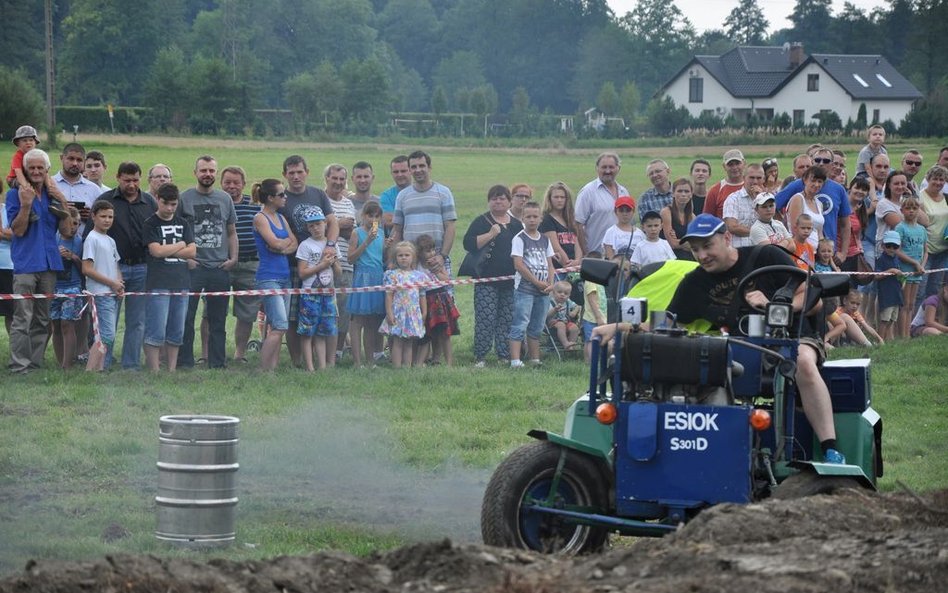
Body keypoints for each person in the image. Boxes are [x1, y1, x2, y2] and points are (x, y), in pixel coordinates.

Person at [592, 213, 849, 464]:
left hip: (795, 338)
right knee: (696, 366)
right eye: (695, 249)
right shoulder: (695, 283)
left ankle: (830, 447)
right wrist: (617, 327)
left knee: (802, 361)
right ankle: (699, 452)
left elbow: (813, 302)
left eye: (707, 246)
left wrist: (775, 305)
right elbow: (666, 324)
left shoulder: (766, 256)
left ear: (726, 238)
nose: (702, 255)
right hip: (739, 346)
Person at [93, 161, 158, 370]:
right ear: (118, 177)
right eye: (127, 180)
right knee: (109, 319)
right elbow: (91, 234)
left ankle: (131, 364)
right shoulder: (104, 200)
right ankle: (105, 360)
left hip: (142, 267)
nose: (131, 184)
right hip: (112, 271)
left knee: (137, 320)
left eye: (135, 180)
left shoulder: (149, 202)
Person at [6, 148, 65, 373]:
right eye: (32, 167)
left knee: (42, 319)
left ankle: (35, 362)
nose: (37, 171)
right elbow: (18, 230)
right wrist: (26, 205)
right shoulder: (15, 194)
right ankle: (19, 365)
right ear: (25, 170)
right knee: (22, 317)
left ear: (48, 170)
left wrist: (62, 200)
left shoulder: (52, 194)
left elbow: (67, 230)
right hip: (26, 265)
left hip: (50, 264)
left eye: (41, 167)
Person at [177, 155, 238, 370]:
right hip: (194, 267)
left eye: (212, 171)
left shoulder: (225, 199)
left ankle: (217, 363)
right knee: (186, 318)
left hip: (219, 268)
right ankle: (185, 362)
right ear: (195, 173)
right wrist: (187, 258)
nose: (207, 174)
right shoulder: (184, 198)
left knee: (218, 320)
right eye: (203, 170)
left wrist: (233, 258)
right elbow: (178, 234)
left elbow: (231, 232)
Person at [279, 154, 339, 367]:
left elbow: (333, 223)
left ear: (307, 172)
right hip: (294, 264)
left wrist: (330, 248)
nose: (296, 176)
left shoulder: (318, 194)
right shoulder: (281, 198)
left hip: (323, 264)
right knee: (295, 317)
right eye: (291, 173)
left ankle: (328, 362)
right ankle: (298, 361)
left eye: (299, 172)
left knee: (327, 316)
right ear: (285, 174)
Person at [463, 185, 523, 368]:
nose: (498, 201)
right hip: (486, 279)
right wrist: (491, 234)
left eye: (502, 198)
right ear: (489, 201)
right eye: (494, 198)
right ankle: (480, 356)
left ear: (509, 201)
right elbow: (468, 244)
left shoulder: (515, 224)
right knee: (486, 318)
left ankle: (504, 354)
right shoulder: (481, 221)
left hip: (510, 280)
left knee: (507, 318)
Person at [142, 184, 195, 373]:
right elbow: (155, 251)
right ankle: (154, 369)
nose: (170, 208)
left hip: (181, 282)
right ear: (157, 199)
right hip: (158, 282)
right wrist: (180, 244)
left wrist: (172, 249)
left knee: (177, 329)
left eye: (174, 204)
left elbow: (192, 251)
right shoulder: (150, 223)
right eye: (166, 203)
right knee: (156, 328)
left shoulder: (183, 223)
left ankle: (171, 369)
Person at [251, 178, 297, 372]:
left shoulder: (280, 217)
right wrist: (282, 244)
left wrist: (281, 247)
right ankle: (263, 369)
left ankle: (273, 368)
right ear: (270, 198)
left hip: (284, 276)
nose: (285, 197)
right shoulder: (260, 218)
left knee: (278, 326)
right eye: (281, 195)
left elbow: (293, 242)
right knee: (279, 326)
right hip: (268, 277)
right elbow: (276, 243)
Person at [391, 151, 457, 280]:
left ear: (429, 167)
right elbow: (397, 231)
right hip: (411, 262)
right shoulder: (402, 196)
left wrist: (442, 256)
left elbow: (450, 227)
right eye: (414, 167)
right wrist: (395, 259)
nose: (418, 170)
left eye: (422, 166)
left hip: (436, 261)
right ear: (410, 170)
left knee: (442, 299)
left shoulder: (443, 193)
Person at [775, 147, 852, 258]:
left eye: (825, 161)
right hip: (801, 253)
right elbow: (774, 205)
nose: (821, 163)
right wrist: (782, 227)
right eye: (817, 160)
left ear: (832, 164)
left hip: (826, 252)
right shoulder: (798, 186)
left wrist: (843, 253)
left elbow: (845, 224)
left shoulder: (837, 190)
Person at [220, 165, 262, 363]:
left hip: (249, 265)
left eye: (236, 182)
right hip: (221, 264)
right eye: (227, 182)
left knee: (246, 314)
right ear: (221, 184)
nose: (231, 186)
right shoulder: (217, 202)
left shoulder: (254, 204)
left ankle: (239, 354)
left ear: (244, 184)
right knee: (214, 311)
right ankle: (211, 353)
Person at [508, 201, 555, 368]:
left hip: (544, 290)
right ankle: (515, 360)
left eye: (535, 216)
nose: (532, 220)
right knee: (520, 322)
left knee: (537, 325)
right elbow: (518, 264)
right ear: (522, 218)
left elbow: (550, 264)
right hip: (525, 289)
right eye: (528, 216)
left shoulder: (545, 239)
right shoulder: (519, 239)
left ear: (541, 218)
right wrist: (536, 282)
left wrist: (550, 283)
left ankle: (535, 359)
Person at [296, 207, 341, 372]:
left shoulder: (331, 244)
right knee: (307, 331)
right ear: (307, 228)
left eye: (318, 224)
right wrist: (322, 265)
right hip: (310, 294)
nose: (315, 228)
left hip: (328, 294)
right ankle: (309, 367)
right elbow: (302, 273)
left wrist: (333, 260)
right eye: (311, 226)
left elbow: (339, 273)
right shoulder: (305, 245)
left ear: (325, 224)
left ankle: (322, 367)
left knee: (322, 332)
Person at [82, 200, 123, 371]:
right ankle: (90, 370)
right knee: (105, 335)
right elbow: (87, 269)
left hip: (112, 293)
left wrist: (119, 284)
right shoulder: (91, 239)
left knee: (107, 335)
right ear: (93, 217)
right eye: (103, 216)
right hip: (99, 293)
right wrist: (111, 283)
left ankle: (98, 369)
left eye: (110, 217)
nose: (107, 220)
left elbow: (116, 265)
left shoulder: (110, 240)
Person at [346, 201, 386, 368]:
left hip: (377, 276)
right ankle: (357, 361)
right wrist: (367, 241)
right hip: (362, 276)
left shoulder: (382, 233)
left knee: (371, 321)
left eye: (377, 216)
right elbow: (351, 258)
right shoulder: (357, 233)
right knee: (358, 321)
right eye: (370, 215)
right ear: (363, 216)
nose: (373, 219)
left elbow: (380, 257)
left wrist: (388, 247)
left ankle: (370, 361)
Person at [379, 240, 427, 369]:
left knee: (409, 342)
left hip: (413, 313)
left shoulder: (419, 276)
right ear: (396, 258)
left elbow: (422, 295)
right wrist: (389, 313)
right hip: (398, 312)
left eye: (407, 255)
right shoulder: (392, 275)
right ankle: (396, 367)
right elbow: (389, 295)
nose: (404, 258)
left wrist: (424, 312)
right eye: (400, 255)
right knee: (398, 341)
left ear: (413, 257)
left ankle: (406, 367)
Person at [415, 233, 460, 366]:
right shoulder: (416, 265)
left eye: (433, 250)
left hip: (440, 298)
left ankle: (449, 363)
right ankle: (422, 361)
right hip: (424, 299)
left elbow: (446, 280)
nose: (432, 253)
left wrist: (436, 270)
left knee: (444, 333)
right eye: (428, 251)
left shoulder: (438, 264)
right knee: (427, 333)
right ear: (420, 252)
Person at [6, 125, 69, 219]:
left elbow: (46, 171)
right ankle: (29, 210)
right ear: (18, 143)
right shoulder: (18, 156)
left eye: (31, 140)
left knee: (49, 179)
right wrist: (26, 187)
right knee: (22, 187)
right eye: (24, 140)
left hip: (29, 175)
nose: (28, 143)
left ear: (35, 142)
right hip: (15, 178)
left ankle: (54, 201)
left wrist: (50, 186)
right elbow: (18, 172)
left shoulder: (37, 155)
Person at [574, 152, 628, 254]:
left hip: (621, 255)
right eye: (604, 167)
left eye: (611, 167)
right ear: (597, 168)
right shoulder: (588, 192)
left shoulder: (623, 192)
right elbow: (578, 225)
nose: (607, 171)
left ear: (618, 168)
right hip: (597, 255)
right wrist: (586, 254)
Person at [50, 208, 83, 369]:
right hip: (54, 287)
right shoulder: (53, 240)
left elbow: (87, 267)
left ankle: (67, 364)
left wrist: (73, 257)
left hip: (73, 287)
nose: (72, 227)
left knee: (67, 324)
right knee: (55, 324)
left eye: (76, 223)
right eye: (69, 222)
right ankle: (60, 360)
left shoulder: (80, 241)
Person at [915, 165, 948, 306]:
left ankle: (926, 322)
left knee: (934, 290)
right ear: (928, 179)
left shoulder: (946, 198)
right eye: (935, 179)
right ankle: (912, 324)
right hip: (926, 251)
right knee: (919, 291)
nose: (938, 182)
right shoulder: (920, 197)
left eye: (942, 179)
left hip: (943, 251)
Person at [895, 194, 927, 337]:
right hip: (906, 270)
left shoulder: (922, 229)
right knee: (904, 303)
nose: (911, 211)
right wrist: (914, 263)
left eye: (914, 208)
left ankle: (908, 332)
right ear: (902, 210)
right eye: (908, 208)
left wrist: (922, 265)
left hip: (918, 271)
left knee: (912, 304)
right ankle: (903, 335)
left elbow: (926, 250)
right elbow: (897, 249)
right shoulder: (900, 228)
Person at [539, 181, 582, 278]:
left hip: (574, 268)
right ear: (550, 199)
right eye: (556, 197)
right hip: (558, 270)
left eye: (562, 197)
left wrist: (577, 261)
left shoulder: (570, 218)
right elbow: (555, 247)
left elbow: (577, 243)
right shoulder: (546, 219)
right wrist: (567, 265)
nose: (559, 200)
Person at [52, 143, 102, 225]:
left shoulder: (94, 190)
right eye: (71, 159)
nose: (75, 163)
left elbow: (105, 219)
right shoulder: (50, 184)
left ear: (84, 161)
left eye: (79, 160)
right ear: (62, 158)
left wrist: (92, 217)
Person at [722, 163, 766, 248]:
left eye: (759, 178)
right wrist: (759, 232)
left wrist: (761, 199)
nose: (755, 181)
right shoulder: (733, 199)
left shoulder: (767, 200)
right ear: (744, 178)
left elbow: (771, 223)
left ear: (764, 179)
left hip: (761, 250)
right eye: (751, 177)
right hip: (739, 251)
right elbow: (732, 227)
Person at [786, 166, 827, 250]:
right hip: (800, 251)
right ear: (805, 180)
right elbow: (795, 229)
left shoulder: (819, 204)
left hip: (815, 253)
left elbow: (820, 233)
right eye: (813, 181)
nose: (816, 184)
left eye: (820, 181)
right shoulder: (798, 199)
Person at [875, 230, 905, 341]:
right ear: (883, 245)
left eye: (895, 246)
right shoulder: (881, 259)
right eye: (888, 246)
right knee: (885, 320)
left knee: (892, 319)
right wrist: (891, 270)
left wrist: (902, 280)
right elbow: (876, 276)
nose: (891, 249)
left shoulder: (897, 259)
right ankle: (880, 340)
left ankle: (887, 339)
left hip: (896, 294)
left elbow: (900, 273)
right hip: (886, 295)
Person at [839, 177, 870, 278]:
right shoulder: (841, 206)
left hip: (854, 256)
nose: (860, 191)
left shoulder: (860, 209)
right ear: (849, 189)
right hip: (840, 256)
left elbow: (857, 234)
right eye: (857, 188)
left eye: (864, 189)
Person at [581, 251, 608, 364]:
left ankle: (589, 360)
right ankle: (592, 361)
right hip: (592, 317)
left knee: (591, 339)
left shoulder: (598, 280)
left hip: (599, 316)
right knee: (591, 340)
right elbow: (592, 300)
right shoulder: (591, 281)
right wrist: (598, 317)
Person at [702, 149, 745, 219]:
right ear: (724, 166)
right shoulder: (715, 191)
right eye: (730, 164)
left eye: (737, 163)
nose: (734, 167)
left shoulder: (752, 186)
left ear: (744, 163)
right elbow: (706, 220)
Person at [661, 178, 696, 260]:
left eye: (686, 191)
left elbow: (695, 245)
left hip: (688, 258)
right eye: (679, 191)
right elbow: (672, 244)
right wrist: (686, 243)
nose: (683, 194)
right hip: (669, 257)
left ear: (691, 194)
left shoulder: (693, 217)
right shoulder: (666, 212)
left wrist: (679, 242)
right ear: (673, 193)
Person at [602, 196, 644, 261]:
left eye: (628, 210)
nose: (625, 214)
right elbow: (610, 257)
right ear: (616, 211)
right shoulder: (611, 232)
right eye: (621, 210)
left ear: (633, 211)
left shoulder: (640, 234)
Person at [379, 155, 410, 235]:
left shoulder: (420, 192)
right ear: (391, 173)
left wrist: (398, 218)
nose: (399, 175)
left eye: (403, 171)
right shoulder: (386, 196)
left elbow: (394, 220)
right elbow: (388, 221)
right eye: (396, 172)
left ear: (411, 171)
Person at [546, 280, 580, 351]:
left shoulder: (567, 302)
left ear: (569, 295)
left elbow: (578, 306)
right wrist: (555, 309)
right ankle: (565, 344)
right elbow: (547, 315)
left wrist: (574, 312)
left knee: (574, 328)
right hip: (552, 322)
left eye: (566, 293)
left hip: (565, 321)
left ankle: (571, 345)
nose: (562, 295)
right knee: (561, 325)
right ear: (554, 293)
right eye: (559, 292)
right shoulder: (551, 301)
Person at [0, 180, 14, 337]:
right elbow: (8, 233)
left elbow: (17, 234)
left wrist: (4, 233)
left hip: (8, 265)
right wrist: (4, 232)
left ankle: (15, 350)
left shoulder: (6, 210)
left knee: (12, 312)